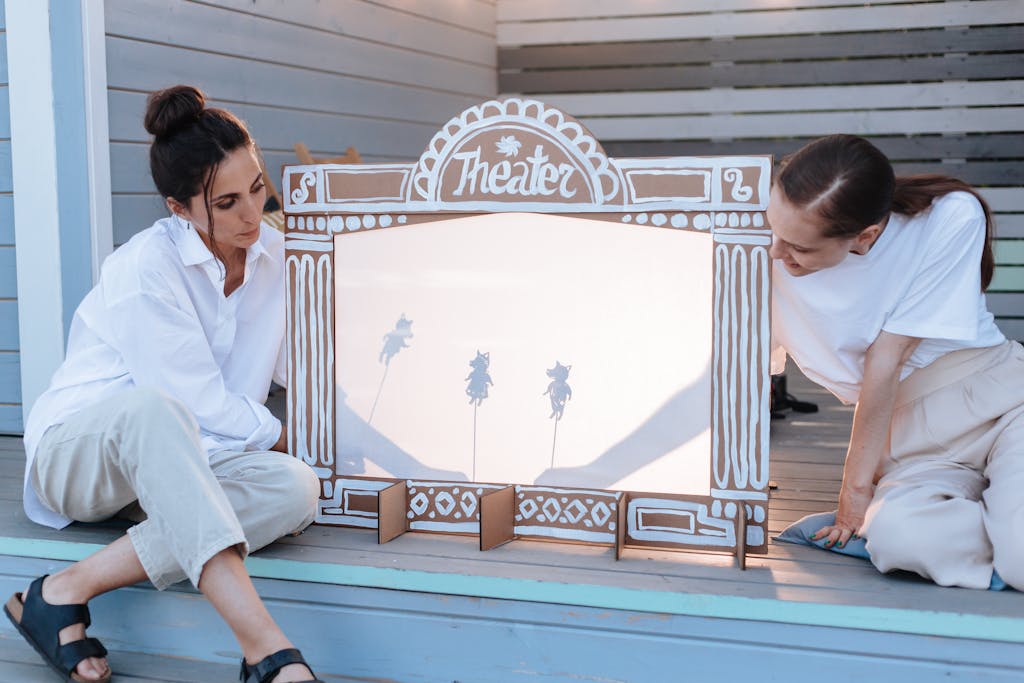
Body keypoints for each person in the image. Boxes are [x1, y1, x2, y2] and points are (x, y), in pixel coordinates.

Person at [5, 85, 325, 682]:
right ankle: (265, 649)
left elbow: (303, 369)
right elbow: (195, 403)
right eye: (225, 203)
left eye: (257, 188)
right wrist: (281, 431)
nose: (251, 214)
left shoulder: (278, 257)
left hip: (183, 466)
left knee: (296, 488)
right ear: (180, 209)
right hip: (82, 457)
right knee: (156, 409)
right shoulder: (144, 267)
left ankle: (67, 589)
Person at [767, 134, 1023, 591]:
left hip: (1004, 404)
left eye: (800, 248)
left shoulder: (949, 215)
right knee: (901, 539)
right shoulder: (754, 252)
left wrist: (854, 497)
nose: (775, 252)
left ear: (864, 236)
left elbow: (886, 359)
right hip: (910, 445)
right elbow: (737, 370)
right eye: (775, 230)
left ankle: (1009, 526)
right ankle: (1003, 519)